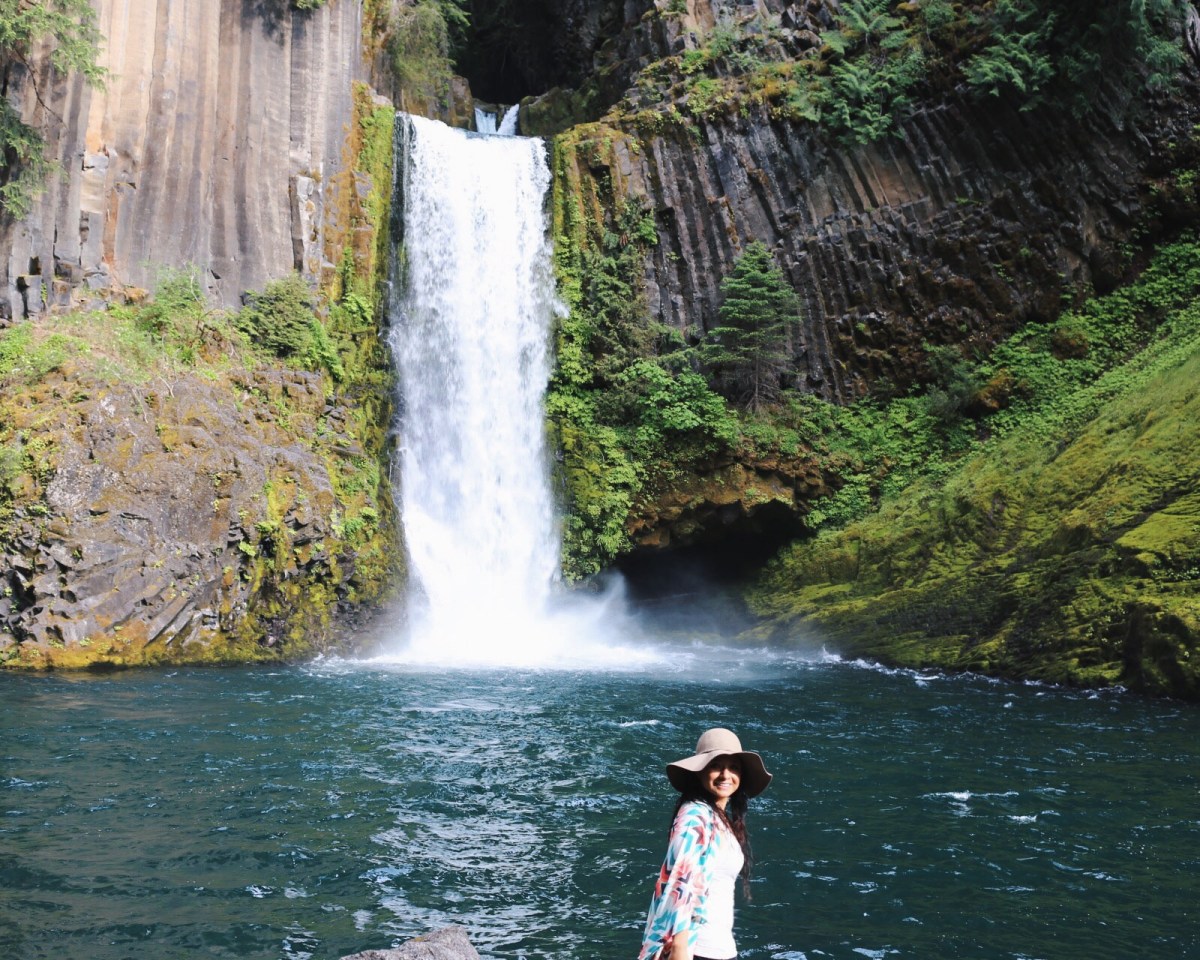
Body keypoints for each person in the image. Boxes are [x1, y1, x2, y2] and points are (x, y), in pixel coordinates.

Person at [638, 727, 772, 960]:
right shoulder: (695, 817)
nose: (725, 775)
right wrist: (680, 950)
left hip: (719, 948)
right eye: (715, 766)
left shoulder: (718, 818)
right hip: (695, 949)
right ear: (699, 771)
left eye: (734, 768)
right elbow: (681, 884)